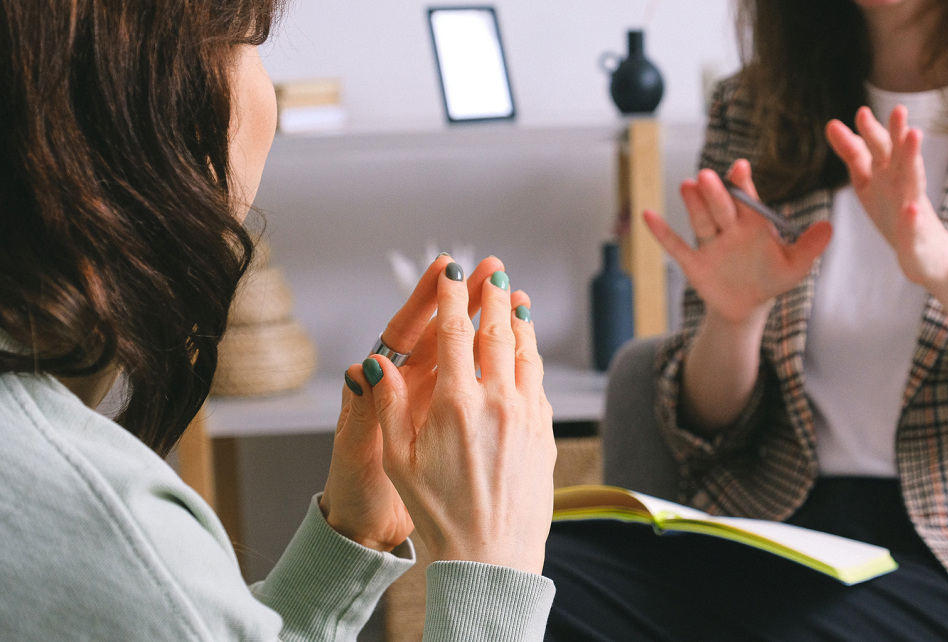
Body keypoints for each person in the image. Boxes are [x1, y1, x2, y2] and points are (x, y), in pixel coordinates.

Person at [0, 0, 557, 640]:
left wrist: (350, 535)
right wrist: (492, 566)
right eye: (250, 40)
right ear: (136, 94)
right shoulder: (110, 532)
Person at [544, 1, 948, 640]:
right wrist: (735, 317)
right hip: (772, 527)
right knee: (520, 583)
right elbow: (710, 424)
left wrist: (944, 265)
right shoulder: (755, 106)